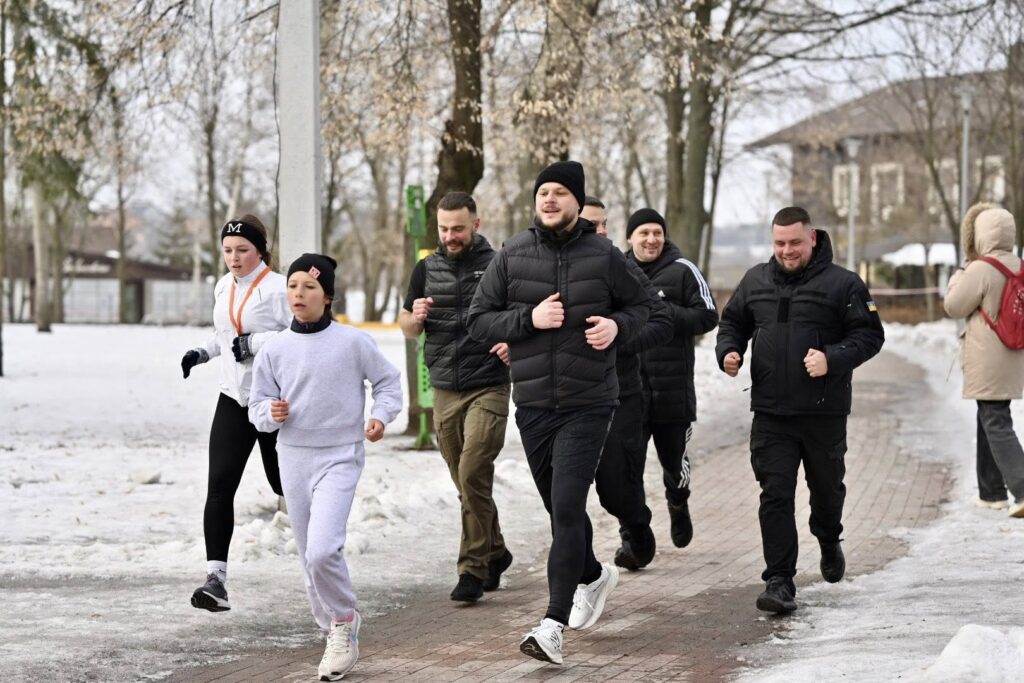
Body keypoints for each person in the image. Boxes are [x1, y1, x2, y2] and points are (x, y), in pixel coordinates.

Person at [467, 161, 652, 665]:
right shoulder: (512, 254)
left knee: (568, 506)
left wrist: (617, 327)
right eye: (543, 192)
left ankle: (552, 624)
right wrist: (529, 318)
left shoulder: (605, 255)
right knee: (558, 509)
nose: (549, 199)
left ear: (577, 202)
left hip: (589, 402)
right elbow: (478, 320)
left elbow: (646, 311)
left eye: (560, 193)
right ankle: (592, 574)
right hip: (533, 405)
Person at [715, 206, 884, 614]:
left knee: (827, 491)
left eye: (794, 242)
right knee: (775, 494)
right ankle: (779, 581)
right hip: (771, 413)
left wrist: (832, 358)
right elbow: (732, 322)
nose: (786, 250)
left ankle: (828, 537)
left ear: (812, 237)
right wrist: (729, 351)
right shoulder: (755, 280)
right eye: (779, 243)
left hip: (823, 414)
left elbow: (870, 335)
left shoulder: (844, 284)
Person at [249, 253, 403, 682]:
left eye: (309, 287)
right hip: (293, 456)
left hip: (340, 454)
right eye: (293, 285)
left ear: (327, 296)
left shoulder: (352, 342)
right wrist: (270, 413)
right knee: (306, 555)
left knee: (321, 550)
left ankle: (343, 619)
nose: (298, 293)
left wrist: (380, 416)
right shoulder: (275, 348)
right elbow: (257, 405)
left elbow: (388, 382)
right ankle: (332, 627)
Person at [399, 191, 514, 603]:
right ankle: (496, 550)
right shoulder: (425, 269)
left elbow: (522, 316)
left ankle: (472, 569)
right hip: (445, 387)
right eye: (444, 229)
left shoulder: (499, 264)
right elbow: (406, 324)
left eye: (458, 229)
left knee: (473, 471)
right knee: (467, 483)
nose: (450, 236)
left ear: (476, 225)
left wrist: (513, 343)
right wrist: (415, 318)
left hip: (489, 384)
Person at [180, 214, 291, 613]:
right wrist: (202, 352)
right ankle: (216, 581)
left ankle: (325, 556)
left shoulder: (280, 288)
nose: (234, 258)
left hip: (272, 401)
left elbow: (300, 334)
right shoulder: (223, 285)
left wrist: (255, 343)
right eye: (227, 250)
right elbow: (225, 335)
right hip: (232, 399)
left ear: (260, 250)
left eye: (243, 250)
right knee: (219, 486)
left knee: (284, 485)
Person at [582, 196, 673, 571]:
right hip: (568, 396)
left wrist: (617, 335)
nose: (602, 231)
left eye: (604, 224)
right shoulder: (546, 266)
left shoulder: (621, 266)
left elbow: (662, 321)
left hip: (621, 392)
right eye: (593, 225)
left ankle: (636, 525)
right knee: (565, 492)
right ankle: (577, 567)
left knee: (616, 486)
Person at [626, 208, 718, 549]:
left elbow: (708, 316)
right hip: (629, 392)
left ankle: (678, 502)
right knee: (626, 470)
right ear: (630, 237)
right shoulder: (617, 270)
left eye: (657, 233)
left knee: (674, 464)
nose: (652, 239)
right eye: (644, 233)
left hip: (672, 391)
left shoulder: (683, 270)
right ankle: (632, 538)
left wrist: (665, 311)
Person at [943, 203, 1024, 518]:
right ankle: (991, 492)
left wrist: (959, 275)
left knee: (995, 421)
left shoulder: (981, 269)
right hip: (1012, 354)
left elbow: (954, 306)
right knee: (989, 415)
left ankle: (1022, 489)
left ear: (980, 234)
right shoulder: (1018, 265)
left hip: (988, 357)